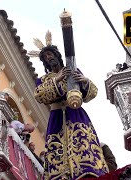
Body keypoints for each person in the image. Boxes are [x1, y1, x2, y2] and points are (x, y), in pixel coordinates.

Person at [33, 43, 108, 179]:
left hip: (76, 114)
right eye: (45, 56)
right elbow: (39, 95)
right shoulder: (43, 79)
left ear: (57, 55)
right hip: (56, 117)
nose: (48, 57)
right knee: (57, 152)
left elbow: (91, 94)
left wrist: (85, 81)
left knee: (83, 144)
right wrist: (57, 79)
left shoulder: (73, 70)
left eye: (50, 54)